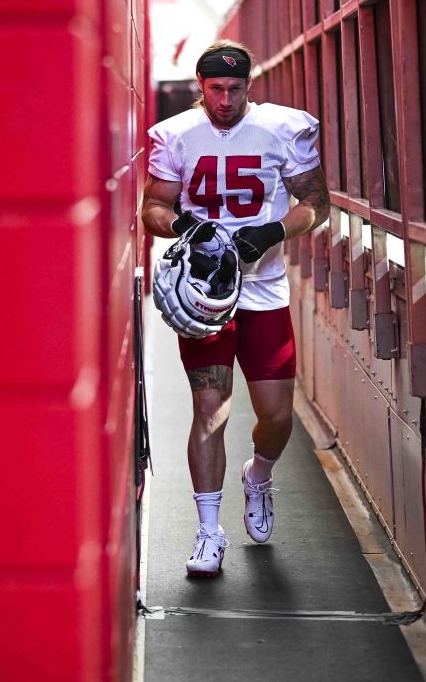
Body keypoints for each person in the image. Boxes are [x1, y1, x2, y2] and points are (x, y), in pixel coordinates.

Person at [141, 40, 331, 577]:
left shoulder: (281, 128)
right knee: (211, 406)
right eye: (216, 88)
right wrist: (186, 225)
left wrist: (270, 230)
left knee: (274, 416)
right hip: (206, 292)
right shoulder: (177, 135)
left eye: (236, 88)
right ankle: (207, 533)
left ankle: (259, 476)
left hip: (264, 287)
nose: (226, 99)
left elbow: (317, 203)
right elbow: (153, 206)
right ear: (201, 86)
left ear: (251, 85)